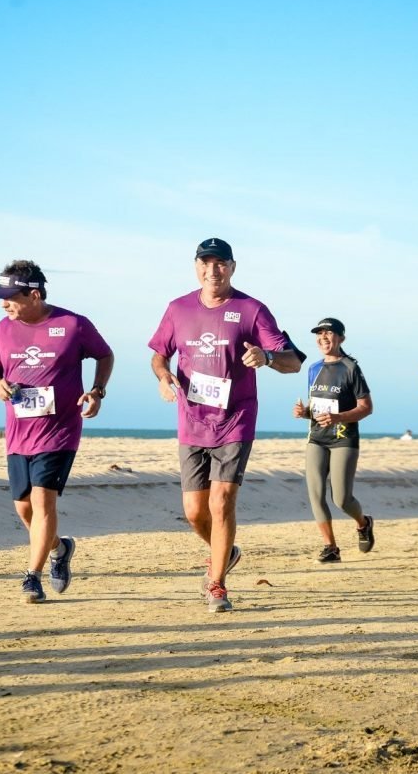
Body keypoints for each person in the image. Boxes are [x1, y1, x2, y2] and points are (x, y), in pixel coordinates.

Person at [149, 238, 301, 612]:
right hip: (191, 420)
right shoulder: (177, 308)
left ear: (232, 267)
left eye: (221, 264)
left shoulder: (251, 310)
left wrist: (265, 356)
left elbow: (293, 361)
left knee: (222, 501)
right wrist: (163, 377)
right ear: (196, 266)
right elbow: (158, 355)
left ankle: (217, 584)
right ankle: (226, 552)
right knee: (194, 512)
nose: (212, 270)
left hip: (235, 418)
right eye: (206, 263)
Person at [0, 260, 114, 603]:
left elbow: (104, 355)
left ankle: (32, 577)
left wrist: (97, 391)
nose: (3, 303)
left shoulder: (73, 325)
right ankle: (59, 547)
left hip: (60, 431)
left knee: (43, 501)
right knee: (23, 508)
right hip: (18, 433)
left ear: (35, 295)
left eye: (10, 297)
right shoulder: (1, 330)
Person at [292, 317, 375, 563]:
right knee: (316, 494)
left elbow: (366, 407)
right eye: (319, 334)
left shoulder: (350, 368)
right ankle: (331, 548)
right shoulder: (314, 368)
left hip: (343, 439)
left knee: (341, 499)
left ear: (341, 338)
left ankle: (363, 523)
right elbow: (317, 406)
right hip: (317, 438)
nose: (323, 337)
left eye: (329, 333)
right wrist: (304, 412)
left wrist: (339, 417)